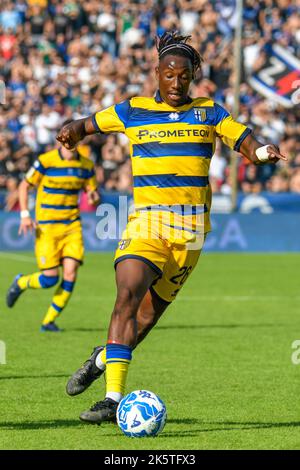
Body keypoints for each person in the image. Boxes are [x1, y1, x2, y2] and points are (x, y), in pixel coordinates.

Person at [56, 32, 287, 423]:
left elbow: (244, 140)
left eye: (184, 76)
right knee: (127, 293)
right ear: (157, 73)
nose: (176, 83)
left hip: (191, 232)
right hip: (147, 222)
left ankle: (101, 359)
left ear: (193, 75)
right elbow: (86, 124)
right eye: (169, 75)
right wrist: (73, 131)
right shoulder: (133, 111)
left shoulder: (209, 112)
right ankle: (113, 400)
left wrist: (262, 152)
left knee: (144, 319)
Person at [6, 126, 100, 332]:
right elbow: (24, 186)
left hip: (72, 226)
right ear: (62, 137)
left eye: (78, 136)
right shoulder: (45, 161)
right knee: (49, 279)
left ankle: (48, 321)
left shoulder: (86, 165)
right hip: (47, 227)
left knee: (71, 274)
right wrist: (24, 215)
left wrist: (94, 196)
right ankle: (21, 283)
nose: (73, 140)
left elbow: (92, 192)